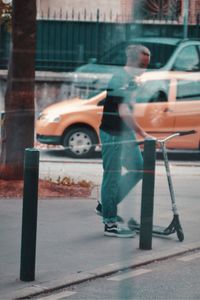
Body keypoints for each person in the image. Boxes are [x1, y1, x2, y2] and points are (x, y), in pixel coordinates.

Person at [96, 44, 153, 238]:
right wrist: (143, 134)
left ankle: (106, 204)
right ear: (132, 61)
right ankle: (110, 223)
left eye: (147, 65)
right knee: (112, 176)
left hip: (124, 133)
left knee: (138, 168)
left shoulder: (131, 80)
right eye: (142, 64)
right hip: (112, 133)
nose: (144, 68)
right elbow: (124, 112)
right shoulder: (119, 78)